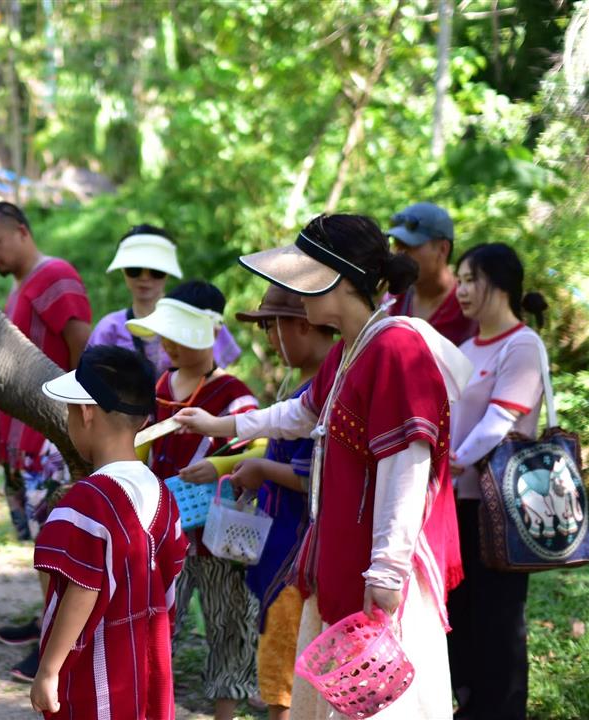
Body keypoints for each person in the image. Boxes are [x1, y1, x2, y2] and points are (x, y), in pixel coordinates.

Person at [177, 214, 472, 720]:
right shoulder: (351, 349)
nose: (292, 290)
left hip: (375, 572)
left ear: (334, 276)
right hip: (342, 559)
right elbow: (301, 413)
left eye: (300, 274)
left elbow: (407, 463)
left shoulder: (396, 349)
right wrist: (221, 426)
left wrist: (386, 570)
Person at [30, 345, 189, 719]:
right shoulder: (164, 495)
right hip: (147, 673)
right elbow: (169, 589)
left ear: (85, 413)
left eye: (70, 410)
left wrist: (50, 670)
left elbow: (84, 587)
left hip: (95, 682)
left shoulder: (88, 502)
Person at [127, 280, 261, 720]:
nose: (169, 345)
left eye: (179, 336)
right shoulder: (160, 384)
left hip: (220, 538)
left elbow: (260, 449)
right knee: (157, 619)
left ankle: (226, 710)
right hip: (165, 532)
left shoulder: (234, 395)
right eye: (165, 336)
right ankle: (149, 705)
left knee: (228, 623)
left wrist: (219, 468)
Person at [0, 201, 92, 680]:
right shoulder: (24, 285)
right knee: (43, 539)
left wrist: (84, 418)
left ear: (22, 232)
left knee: (58, 539)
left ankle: (56, 645)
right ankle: (46, 619)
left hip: (52, 434)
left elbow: (83, 345)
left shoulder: (55, 275)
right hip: (27, 434)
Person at [446, 243, 549, 720]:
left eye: (472, 279)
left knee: (500, 627)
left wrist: (453, 461)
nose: (461, 290)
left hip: (502, 510)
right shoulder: (464, 350)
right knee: (461, 623)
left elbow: (500, 421)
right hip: (457, 507)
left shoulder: (522, 345)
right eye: (460, 279)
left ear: (501, 285)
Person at [230, 286, 337, 720]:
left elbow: (314, 473)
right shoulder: (300, 385)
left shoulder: (320, 394)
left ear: (304, 324)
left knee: (288, 669)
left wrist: (261, 473)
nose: (270, 337)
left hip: (296, 556)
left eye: (272, 326)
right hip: (279, 547)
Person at [88, 224, 241, 374]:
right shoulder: (109, 328)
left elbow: (219, 374)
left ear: (168, 271)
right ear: (123, 270)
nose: (144, 278)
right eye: (134, 270)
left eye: (156, 271)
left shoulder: (195, 315)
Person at [387, 201, 477, 345]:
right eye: (397, 244)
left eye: (409, 245)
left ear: (443, 249)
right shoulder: (392, 300)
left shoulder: (469, 305)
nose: (399, 253)